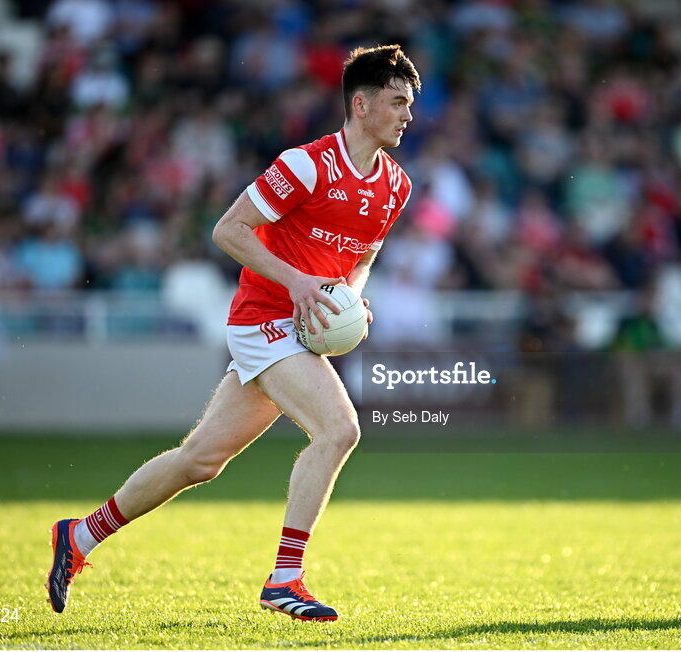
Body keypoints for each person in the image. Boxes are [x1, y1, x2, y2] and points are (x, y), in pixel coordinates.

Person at [47, 45, 419, 621]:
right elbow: (229, 229)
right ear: (361, 104)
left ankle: (78, 537)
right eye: (397, 102)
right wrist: (299, 283)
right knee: (339, 430)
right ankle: (285, 579)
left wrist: (352, 298)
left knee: (199, 460)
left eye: (410, 105)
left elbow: (361, 257)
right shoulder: (306, 165)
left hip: (297, 326)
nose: (406, 115)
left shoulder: (396, 186)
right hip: (263, 321)